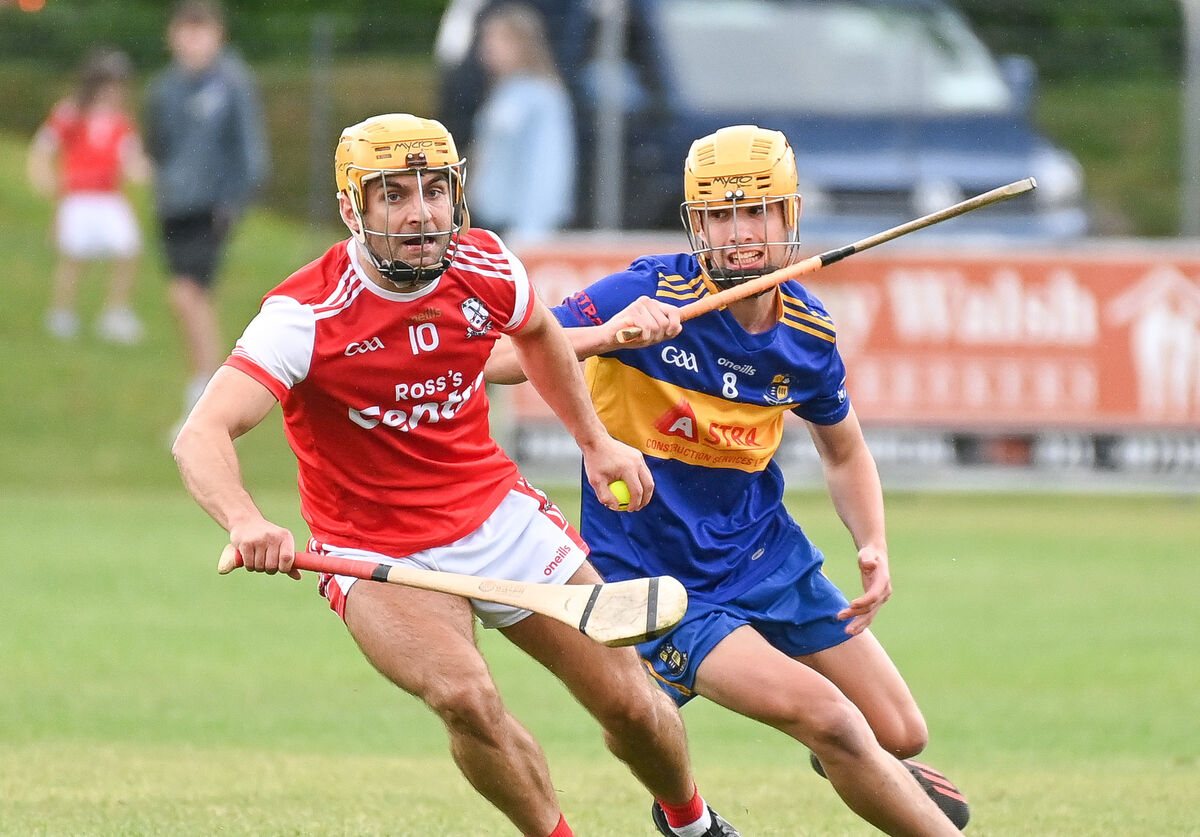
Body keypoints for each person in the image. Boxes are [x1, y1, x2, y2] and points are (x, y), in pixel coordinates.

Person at [171, 112, 739, 837]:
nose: (421, 213)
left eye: (434, 190)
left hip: (496, 516)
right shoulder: (306, 316)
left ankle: (692, 823)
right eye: (395, 195)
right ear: (354, 208)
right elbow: (203, 433)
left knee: (629, 701)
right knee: (465, 695)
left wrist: (595, 442)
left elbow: (535, 338)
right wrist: (246, 519)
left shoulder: (485, 264)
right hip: (375, 552)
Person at [485, 125, 971, 835]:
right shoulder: (650, 288)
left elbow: (843, 452)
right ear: (697, 223)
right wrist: (610, 335)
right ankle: (713, 727)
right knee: (831, 720)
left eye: (756, 211)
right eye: (720, 215)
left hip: (765, 554)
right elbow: (502, 355)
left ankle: (845, 752)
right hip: (658, 574)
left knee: (898, 732)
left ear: (789, 217)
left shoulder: (806, 330)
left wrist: (872, 542)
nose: (739, 232)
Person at [145, 0, 268, 436]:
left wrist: (232, 202)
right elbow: (157, 145)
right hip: (172, 207)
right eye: (186, 31)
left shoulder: (232, 83)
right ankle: (209, 393)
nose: (193, 41)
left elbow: (251, 152)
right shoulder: (164, 88)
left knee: (186, 295)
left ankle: (205, 395)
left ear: (218, 35)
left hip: (210, 210)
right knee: (190, 301)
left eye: (203, 31)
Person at [28, 47, 151, 344]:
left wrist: (145, 171)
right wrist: (44, 177)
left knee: (128, 249)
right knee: (74, 256)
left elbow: (131, 158)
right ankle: (62, 313)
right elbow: (45, 147)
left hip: (109, 197)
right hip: (78, 198)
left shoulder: (121, 121)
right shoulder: (71, 113)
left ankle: (115, 311)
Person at [466, 2, 577, 241]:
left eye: (499, 39)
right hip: (489, 222)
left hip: (520, 229)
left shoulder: (543, 96)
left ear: (523, 44)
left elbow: (547, 165)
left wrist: (531, 230)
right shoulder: (502, 92)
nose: (488, 48)